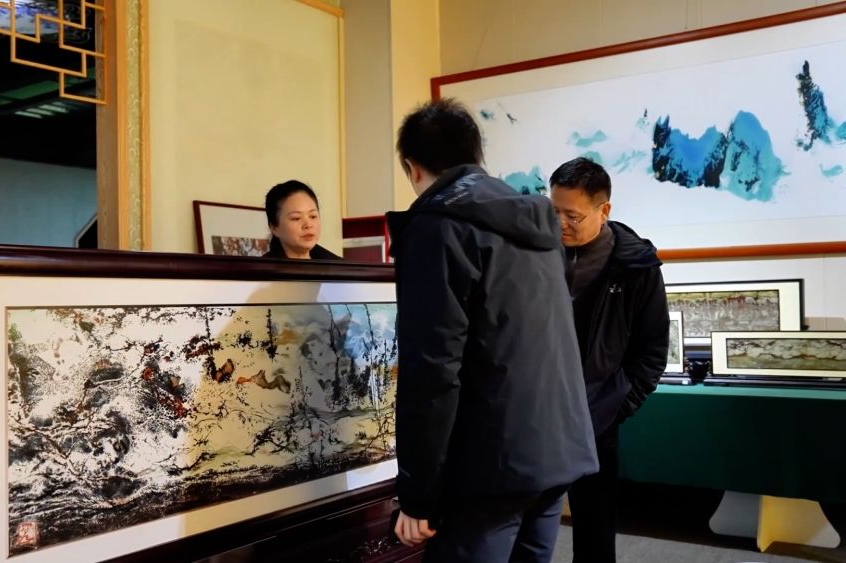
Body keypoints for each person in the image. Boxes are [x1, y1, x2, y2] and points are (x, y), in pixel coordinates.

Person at [388, 98, 598, 563]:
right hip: (556, 449)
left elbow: (432, 369)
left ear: (413, 167)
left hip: (490, 465)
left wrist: (418, 493)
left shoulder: (439, 227)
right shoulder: (535, 219)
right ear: (476, 155)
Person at [549, 157, 669, 563]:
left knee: (595, 530)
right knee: (528, 525)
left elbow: (652, 349)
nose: (560, 224)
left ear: (604, 210)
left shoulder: (636, 265)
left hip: (597, 415)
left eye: (572, 216)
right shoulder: (536, 255)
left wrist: (619, 404)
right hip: (537, 413)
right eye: (553, 211)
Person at [262, 180, 340, 260]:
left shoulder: (338, 264)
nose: (308, 225)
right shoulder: (260, 267)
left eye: (313, 216)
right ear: (274, 228)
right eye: (296, 218)